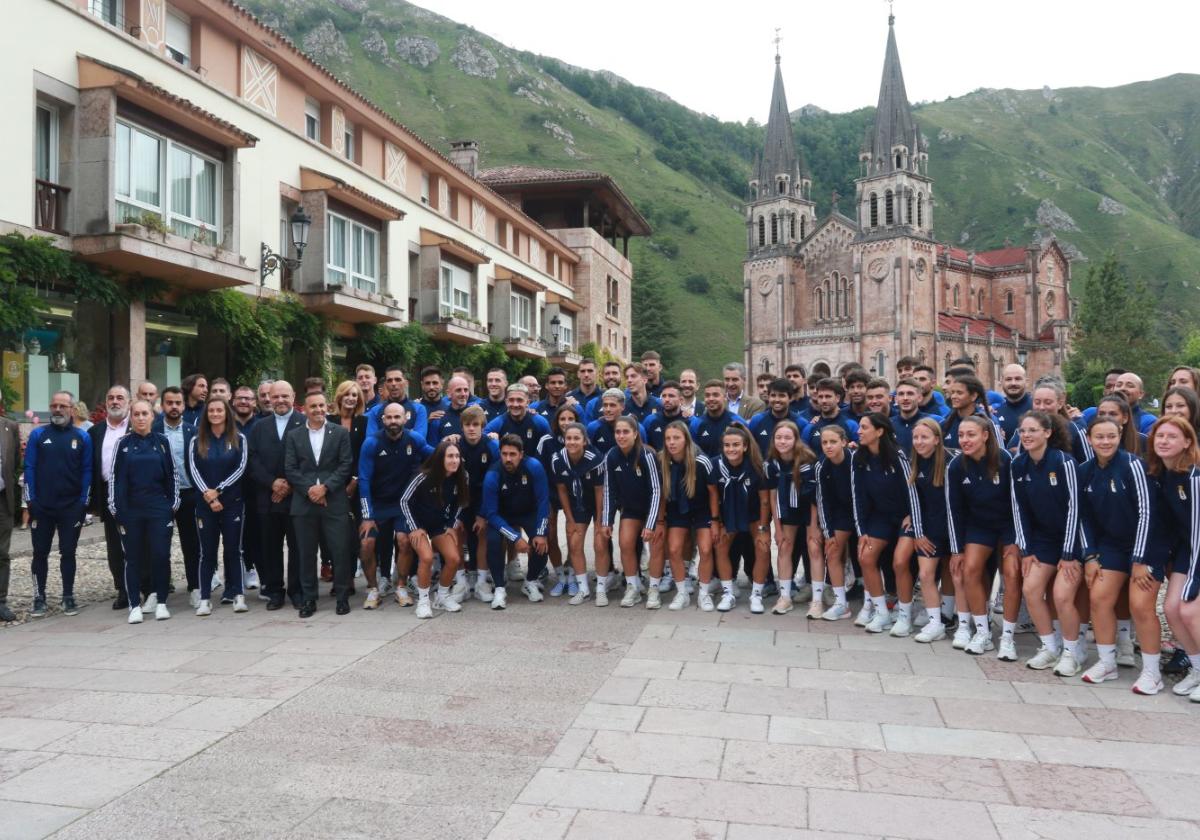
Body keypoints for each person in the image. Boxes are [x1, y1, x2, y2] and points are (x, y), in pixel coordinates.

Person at [1076, 415, 1162, 690]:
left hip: (1146, 545)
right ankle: (1107, 662)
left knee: (1140, 605)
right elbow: (1083, 517)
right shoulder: (1085, 470)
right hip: (1110, 546)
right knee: (1099, 598)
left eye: (1111, 436)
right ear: (1089, 439)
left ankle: (1152, 672)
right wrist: (1089, 555)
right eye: (1099, 437)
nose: (1105, 441)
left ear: (1120, 435)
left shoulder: (1133, 465)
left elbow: (1147, 513)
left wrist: (1139, 560)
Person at [1011, 411, 1081, 670]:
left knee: (1062, 595)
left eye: (1033, 430)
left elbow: (1075, 508)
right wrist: (1026, 550)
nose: (1026, 435)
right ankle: (1050, 647)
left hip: (1071, 540)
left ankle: (1071, 653)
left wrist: (1069, 553)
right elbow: (1020, 509)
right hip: (1042, 540)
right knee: (1030, 589)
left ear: (1048, 433)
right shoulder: (1018, 465)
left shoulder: (1064, 462)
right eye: (1023, 431)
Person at [946, 415, 1018, 656]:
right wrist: (956, 550)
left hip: (1008, 525)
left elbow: (1018, 504)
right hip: (979, 525)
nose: (965, 440)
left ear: (985, 435)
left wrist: (1018, 540)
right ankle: (982, 632)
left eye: (971, 434)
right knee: (970, 569)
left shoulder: (1005, 460)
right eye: (961, 435)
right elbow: (953, 509)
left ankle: (1008, 637)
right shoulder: (956, 466)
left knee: (1011, 573)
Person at [284, 390, 354, 618]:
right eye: (313, 406)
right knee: (306, 553)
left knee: (340, 550)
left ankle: (342, 597)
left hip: (334, 501)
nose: (318, 410)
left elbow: (345, 465)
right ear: (304, 409)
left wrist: (324, 488)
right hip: (304, 503)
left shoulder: (340, 433)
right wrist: (309, 490)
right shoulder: (294, 436)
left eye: (322, 406)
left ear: (328, 407)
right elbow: (291, 469)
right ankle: (309, 599)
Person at [357, 401, 434, 609]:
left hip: (403, 504)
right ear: (382, 420)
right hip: (377, 504)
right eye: (389, 417)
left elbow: (436, 456)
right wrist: (367, 515)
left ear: (405, 419)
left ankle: (401, 586)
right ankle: (373, 589)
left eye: (397, 417)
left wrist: (454, 452)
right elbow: (363, 479)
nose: (393, 421)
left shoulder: (414, 438)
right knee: (366, 544)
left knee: (404, 541)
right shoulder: (371, 443)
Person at [21, 391, 90, 620]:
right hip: (43, 506)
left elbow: (87, 470)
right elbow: (29, 467)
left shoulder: (82, 437)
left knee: (68, 552)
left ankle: (68, 595)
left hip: (71, 506)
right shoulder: (38, 435)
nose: (57, 410)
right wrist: (31, 500)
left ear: (72, 409)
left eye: (62, 406)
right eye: (54, 405)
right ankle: (39, 597)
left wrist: (83, 501)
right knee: (40, 553)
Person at [109, 399, 178, 624]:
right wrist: (116, 508)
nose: (140, 418)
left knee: (160, 555)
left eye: (144, 414)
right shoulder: (123, 443)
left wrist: (172, 505)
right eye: (136, 414)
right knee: (133, 557)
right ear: (131, 417)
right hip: (131, 509)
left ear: (152, 417)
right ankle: (134, 605)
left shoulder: (162, 442)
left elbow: (173, 475)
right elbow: (114, 477)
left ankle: (160, 603)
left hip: (159, 507)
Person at [851, 413, 919, 634]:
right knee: (866, 556)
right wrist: (862, 531)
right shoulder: (858, 458)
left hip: (904, 517)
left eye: (864, 427)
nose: (859, 431)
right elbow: (857, 496)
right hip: (879, 518)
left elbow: (912, 489)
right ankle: (881, 613)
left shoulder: (898, 455)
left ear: (879, 431)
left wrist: (913, 516)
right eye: (859, 427)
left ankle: (904, 616)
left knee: (900, 562)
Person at [1152, 417, 1200, 701]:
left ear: (1187, 442)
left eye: (1172, 436)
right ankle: (1196, 668)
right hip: (1187, 550)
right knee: (1171, 609)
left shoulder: (1194, 477)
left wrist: (1193, 581)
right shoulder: (1164, 476)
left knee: (1190, 611)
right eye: (1160, 436)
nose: (1164, 441)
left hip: (1198, 549)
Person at [246, 380, 305, 610]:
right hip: (267, 498)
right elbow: (252, 460)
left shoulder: (304, 423)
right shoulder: (259, 427)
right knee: (270, 547)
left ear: (293, 397)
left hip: (296, 497)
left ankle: (297, 590)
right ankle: (275, 591)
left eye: (285, 396)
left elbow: (309, 458)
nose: (280, 400)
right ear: (268, 397)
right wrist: (272, 484)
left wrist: (288, 484)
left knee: (297, 546)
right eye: (276, 396)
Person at [895, 418, 955, 643]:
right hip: (928, 526)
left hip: (951, 527)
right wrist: (919, 533)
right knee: (926, 574)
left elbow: (955, 503)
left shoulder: (951, 463)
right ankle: (935, 623)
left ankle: (956, 616)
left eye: (924, 437)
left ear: (937, 440)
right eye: (916, 437)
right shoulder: (914, 463)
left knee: (955, 573)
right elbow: (914, 502)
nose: (919, 442)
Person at [188, 397, 249, 616]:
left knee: (234, 550)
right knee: (207, 553)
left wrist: (219, 491)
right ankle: (205, 599)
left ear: (227, 413)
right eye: (211, 410)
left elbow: (241, 468)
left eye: (219, 410)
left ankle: (238, 595)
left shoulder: (239, 438)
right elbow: (193, 469)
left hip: (232, 503)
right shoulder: (197, 440)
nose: (215, 413)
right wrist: (209, 495)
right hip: (205, 505)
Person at [399, 439, 467, 619]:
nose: (455, 460)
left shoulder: (462, 476)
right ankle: (423, 601)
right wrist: (414, 528)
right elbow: (404, 501)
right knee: (427, 557)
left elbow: (461, 502)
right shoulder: (423, 476)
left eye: (457, 456)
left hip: (438, 523)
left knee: (453, 558)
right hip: (417, 522)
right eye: (450, 456)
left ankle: (442, 597)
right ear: (440, 458)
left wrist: (452, 525)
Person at [481, 434, 551, 609]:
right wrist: (515, 537)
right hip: (502, 516)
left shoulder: (534, 467)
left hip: (528, 512)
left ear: (521, 454)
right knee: (494, 540)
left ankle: (531, 581)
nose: (508, 459)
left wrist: (541, 533)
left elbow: (543, 501)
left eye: (512, 454)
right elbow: (491, 514)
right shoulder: (492, 475)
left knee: (542, 539)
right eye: (504, 454)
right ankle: (499, 587)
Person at [601, 416, 663, 608]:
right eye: (618, 432)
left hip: (654, 508)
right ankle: (633, 587)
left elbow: (656, 490)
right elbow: (609, 490)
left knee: (655, 544)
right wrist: (607, 521)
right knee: (625, 543)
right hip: (630, 509)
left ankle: (654, 589)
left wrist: (651, 523)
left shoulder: (647, 455)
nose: (621, 436)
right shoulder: (611, 455)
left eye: (626, 432)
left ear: (635, 434)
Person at [710, 425, 770, 613]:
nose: (731, 449)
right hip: (728, 514)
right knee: (720, 546)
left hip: (753, 515)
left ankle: (757, 594)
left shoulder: (757, 466)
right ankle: (727, 593)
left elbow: (764, 500)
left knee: (763, 547)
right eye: (727, 445)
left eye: (736, 445)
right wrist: (715, 521)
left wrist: (763, 528)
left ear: (745, 447)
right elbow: (713, 495)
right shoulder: (715, 465)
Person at [658, 420, 714, 610]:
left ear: (686, 439)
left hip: (702, 508)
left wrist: (716, 520)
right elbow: (661, 494)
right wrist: (660, 520)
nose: (672, 442)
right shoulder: (663, 460)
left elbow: (713, 492)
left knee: (706, 549)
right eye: (668, 439)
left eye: (676, 438)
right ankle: (682, 593)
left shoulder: (701, 461)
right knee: (673, 549)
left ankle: (704, 594)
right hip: (677, 509)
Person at [153, 387, 201, 606]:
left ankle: (195, 587)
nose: (174, 407)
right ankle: (158, 591)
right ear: (162, 406)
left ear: (183, 405)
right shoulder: (152, 430)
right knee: (159, 546)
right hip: (160, 496)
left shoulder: (193, 431)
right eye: (169, 403)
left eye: (177, 403)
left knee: (191, 544)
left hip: (188, 493)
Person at [765, 420, 817, 615]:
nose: (783, 441)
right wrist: (777, 527)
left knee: (814, 548)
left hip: (809, 508)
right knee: (784, 546)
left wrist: (813, 525)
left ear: (796, 440)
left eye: (788, 437)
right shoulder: (772, 463)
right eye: (779, 437)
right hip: (787, 510)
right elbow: (772, 497)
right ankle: (785, 596)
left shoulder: (807, 460)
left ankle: (817, 598)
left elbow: (814, 496)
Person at [88, 385, 133, 609]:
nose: (115, 401)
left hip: (136, 493)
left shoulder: (139, 426)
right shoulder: (95, 432)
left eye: (119, 398)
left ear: (129, 402)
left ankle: (145, 585)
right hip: (108, 493)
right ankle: (122, 589)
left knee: (139, 540)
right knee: (115, 545)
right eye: (111, 398)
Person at [553, 422, 605, 605]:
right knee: (574, 543)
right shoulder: (558, 459)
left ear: (584, 441)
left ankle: (601, 588)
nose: (572, 442)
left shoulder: (596, 458)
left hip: (597, 502)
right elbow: (561, 490)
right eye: (569, 438)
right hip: (576, 503)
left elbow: (600, 490)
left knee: (600, 543)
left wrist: (599, 520)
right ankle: (583, 589)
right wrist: (570, 519)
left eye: (576, 438)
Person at [454, 406, 500, 604]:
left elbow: (495, 480)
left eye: (475, 425)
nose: (471, 429)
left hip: (483, 496)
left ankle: (481, 582)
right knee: (457, 533)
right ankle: (460, 581)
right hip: (459, 498)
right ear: (462, 427)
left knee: (482, 533)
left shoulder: (491, 446)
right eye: (467, 425)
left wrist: (483, 513)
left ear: (482, 426)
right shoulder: (455, 446)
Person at [814, 425, 855, 620]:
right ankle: (841, 604)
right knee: (832, 552)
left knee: (868, 556)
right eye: (824, 442)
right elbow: (823, 502)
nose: (828, 446)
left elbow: (864, 495)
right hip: (841, 514)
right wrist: (828, 533)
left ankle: (876, 603)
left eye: (833, 442)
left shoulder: (856, 460)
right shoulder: (821, 466)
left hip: (867, 512)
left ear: (844, 442)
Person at [1031, 378, 1093, 464]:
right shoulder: (1027, 431)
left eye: (1048, 402)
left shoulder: (1076, 431)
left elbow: (1088, 466)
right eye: (1037, 402)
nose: (1042, 407)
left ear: (1060, 403)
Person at [484, 383, 552, 458]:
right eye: (511, 400)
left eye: (519, 400)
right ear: (506, 402)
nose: (515, 404)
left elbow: (550, 447)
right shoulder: (499, 422)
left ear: (527, 402)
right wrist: (492, 439)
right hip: (507, 466)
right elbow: (482, 438)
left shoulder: (539, 422)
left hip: (531, 467)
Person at [364, 366, 428, 442]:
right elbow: (371, 441)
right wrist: (410, 433)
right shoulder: (375, 411)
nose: (393, 383)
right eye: (390, 380)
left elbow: (419, 440)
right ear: (386, 384)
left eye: (397, 380)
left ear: (406, 383)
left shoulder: (419, 409)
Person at [748, 378, 810, 457]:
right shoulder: (756, 421)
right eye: (773, 395)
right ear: (769, 397)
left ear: (790, 398)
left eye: (782, 396)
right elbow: (750, 450)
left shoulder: (801, 423)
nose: (777, 400)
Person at [942, 373, 1003, 451]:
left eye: (959, 393)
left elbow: (1000, 455)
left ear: (973, 396)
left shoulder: (988, 422)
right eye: (953, 392)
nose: (953, 396)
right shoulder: (945, 423)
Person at [690, 379, 747, 458]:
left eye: (715, 395)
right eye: (707, 395)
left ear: (725, 397)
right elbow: (693, 454)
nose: (711, 398)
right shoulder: (696, 424)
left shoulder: (737, 422)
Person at [804, 379, 859, 450]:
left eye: (828, 396)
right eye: (820, 397)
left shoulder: (851, 425)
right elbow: (804, 455)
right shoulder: (810, 428)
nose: (824, 401)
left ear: (837, 398)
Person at [993, 364, 1032, 450]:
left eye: (1018, 379)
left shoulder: (1037, 409)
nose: (1013, 383)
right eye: (1008, 379)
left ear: (1027, 382)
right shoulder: (996, 413)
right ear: (1001, 382)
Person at [642, 380, 688, 451]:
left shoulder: (690, 421)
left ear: (681, 400)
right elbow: (643, 447)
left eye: (671, 396)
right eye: (664, 396)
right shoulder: (650, 420)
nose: (666, 399)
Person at [428, 375, 475, 445]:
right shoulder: (439, 417)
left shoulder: (476, 415)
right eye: (458, 390)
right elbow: (433, 450)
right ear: (449, 394)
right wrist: (445, 441)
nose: (463, 394)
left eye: (466, 390)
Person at [891, 377, 934, 451]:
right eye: (901, 394)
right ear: (896, 399)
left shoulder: (932, 423)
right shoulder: (888, 425)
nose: (905, 398)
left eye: (910, 393)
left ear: (920, 398)